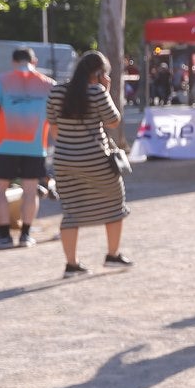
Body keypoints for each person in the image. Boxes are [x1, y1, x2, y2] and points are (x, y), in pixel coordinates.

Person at [44, 50, 132, 275]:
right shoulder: (97, 92)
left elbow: (53, 126)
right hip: (95, 159)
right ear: (100, 73)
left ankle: (71, 264)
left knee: (71, 210)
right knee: (114, 204)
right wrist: (107, 90)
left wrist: (68, 144)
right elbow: (113, 121)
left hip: (63, 159)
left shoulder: (57, 91)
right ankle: (112, 255)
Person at [0, 47, 54, 249]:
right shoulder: (48, 84)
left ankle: (4, 234)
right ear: (35, 61)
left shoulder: (1, 81)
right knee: (30, 191)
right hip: (35, 145)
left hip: (5, 145)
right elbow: (54, 113)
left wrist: (2, 124)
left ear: (13, 62)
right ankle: (26, 235)